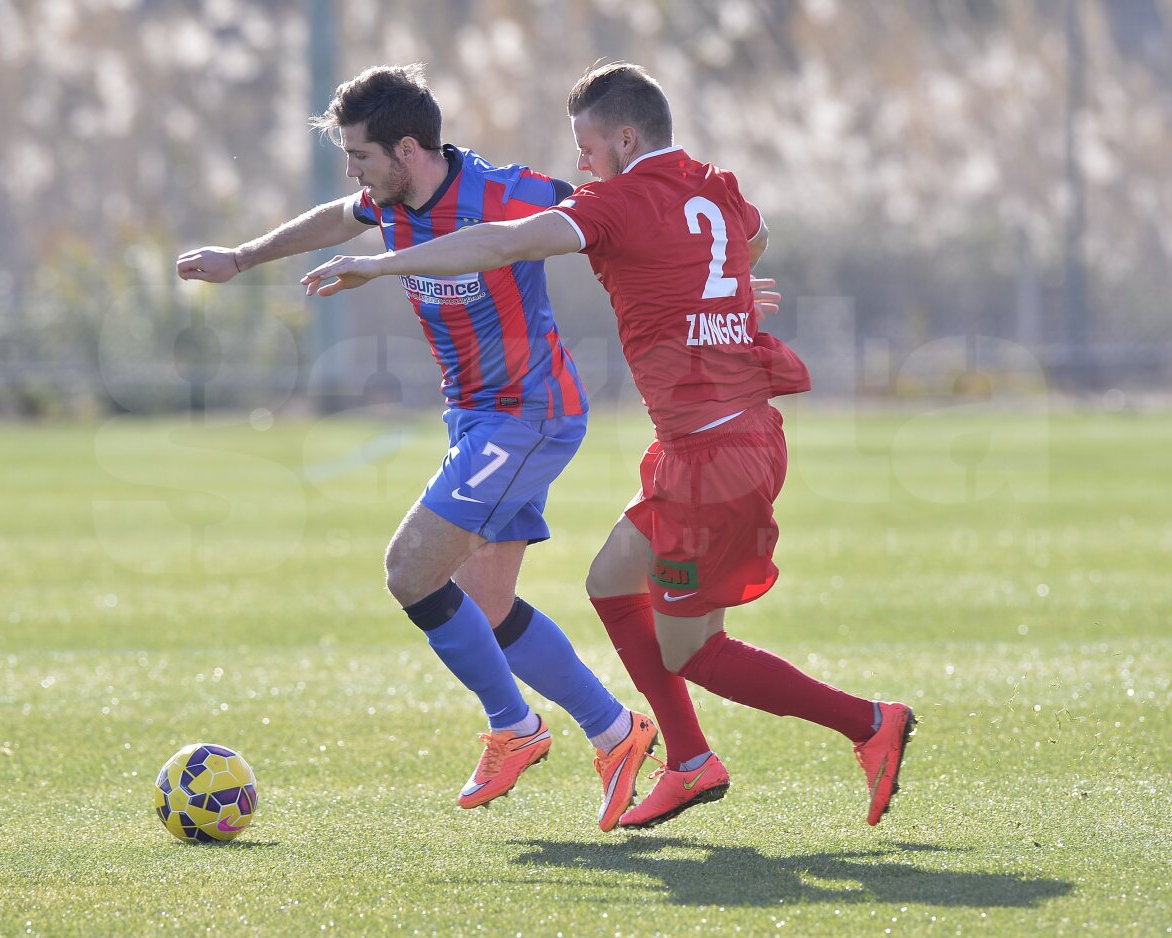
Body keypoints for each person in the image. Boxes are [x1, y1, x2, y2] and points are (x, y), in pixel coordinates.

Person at [300, 62, 917, 831]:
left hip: (714, 455)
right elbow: (754, 238)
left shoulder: (616, 202)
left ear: (625, 139)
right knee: (610, 584)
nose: (580, 165)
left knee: (692, 647)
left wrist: (381, 263)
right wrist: (710, 284)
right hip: (719, 437)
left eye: (587, 148)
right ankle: (687, 762)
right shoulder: (710, 182)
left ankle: (868, 723)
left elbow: (498, 244)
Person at [176, 64, 658, 833]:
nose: (354, 175)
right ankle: (614, 732)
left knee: (410, 569)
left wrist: (714, 275)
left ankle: (516, 726)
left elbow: (620, 209)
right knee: (488, 606)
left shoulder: (507, 193)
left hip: (529, 415)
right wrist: (242, 257)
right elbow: (338, 216)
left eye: (362, 157)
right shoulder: (387, 197)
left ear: (408, 149)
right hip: (474, 419)